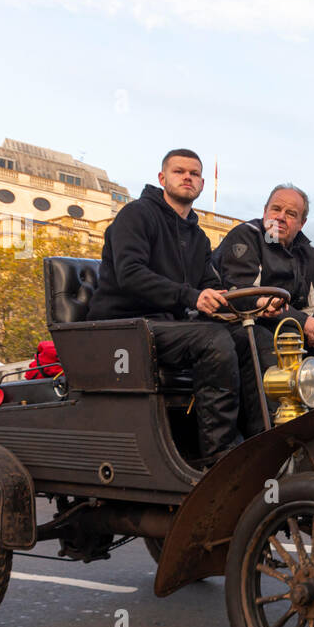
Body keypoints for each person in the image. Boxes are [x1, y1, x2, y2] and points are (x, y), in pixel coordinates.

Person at [84, 149, 244, 468]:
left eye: (194, 174)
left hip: (168, 328)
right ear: (162, 178)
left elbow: (208, 286)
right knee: (214, 341)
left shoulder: (198, 237)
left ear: (201, 184)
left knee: (249, 339)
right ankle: (218, 457)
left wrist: (242, 303)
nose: (188, 177)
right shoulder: (136, 215)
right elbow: (130, 274)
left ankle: (256, 439)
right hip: (124, 328)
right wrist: (191, 297)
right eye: (179, 171)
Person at [213, 184, 314, 437]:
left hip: (286, 328)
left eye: (291, 213)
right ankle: (267, 434)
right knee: (265, 340)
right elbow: (242, 295)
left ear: (302, 223)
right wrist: (298, 320)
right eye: (276, 208)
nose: (280, 216)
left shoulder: (309, 255)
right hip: (238, 324)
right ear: (265, 211)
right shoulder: (245, 236)